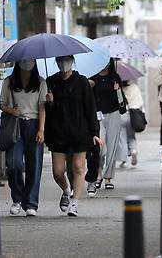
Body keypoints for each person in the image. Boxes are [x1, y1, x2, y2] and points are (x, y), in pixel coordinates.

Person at [45, 55, 103, 216]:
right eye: (60, 60)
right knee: (58, 171)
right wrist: (49, 102)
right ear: (56, 62)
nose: (64, 63)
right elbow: (46, 112)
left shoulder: (82, 82)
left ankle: (75, 203)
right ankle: (66, 189)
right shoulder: (51, 82)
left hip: (80, 132)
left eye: (67, 59)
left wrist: (94, 133)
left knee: (78, 167)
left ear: (72, 61)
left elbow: (90, 109)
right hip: (57, 132)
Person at [0, 60, 47, 217]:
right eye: (24, 60)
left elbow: (42, 107)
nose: (27, 63)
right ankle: (17, 198)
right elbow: (2, 104)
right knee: (14, 164)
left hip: (34, 125)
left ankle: (31, 203)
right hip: (16, 126)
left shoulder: (40, 82)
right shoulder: (9, 81)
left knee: (35, 165)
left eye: (30, 59)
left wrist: (41, 129)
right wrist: (11, 111)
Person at [86, 60, 128, 196]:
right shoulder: (93, 78)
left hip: (114, 114)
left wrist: (117, 90)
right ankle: (99, 174)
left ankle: (108, 177)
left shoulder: (115, 78)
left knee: (112, 147)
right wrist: (89, 86)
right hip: (98, 117)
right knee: (100, 147)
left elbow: (122, 105)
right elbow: (88, 99)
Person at [122, 79, 144, 166]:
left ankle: (124, 159)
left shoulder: (120, 89)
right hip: (134, 115)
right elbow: (140, 102)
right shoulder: (135, 87)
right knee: (131, 136)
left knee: (122, 137)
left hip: (123, 115)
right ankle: (134, 150)